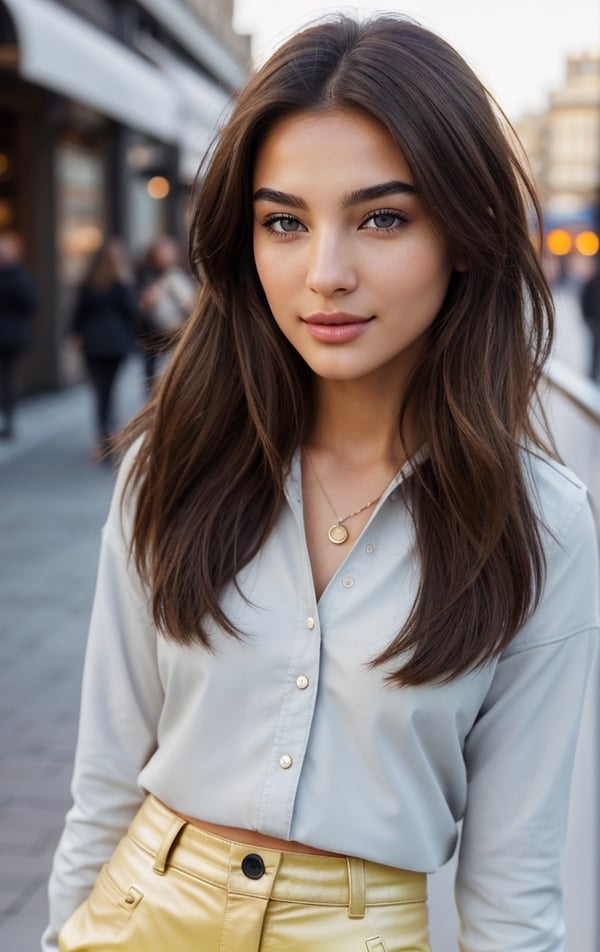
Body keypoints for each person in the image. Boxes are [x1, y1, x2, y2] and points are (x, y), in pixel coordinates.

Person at [44, 14, 599, 952]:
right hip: (139, 916)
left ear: (465, 234)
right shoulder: (172, 462)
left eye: (382, 217)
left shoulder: (540, 522)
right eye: (284, 223)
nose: (325, 273)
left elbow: (513, 887)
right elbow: (104, 777)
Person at [70, 237, 137, 462]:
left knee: (100, 392)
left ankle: (103, 440)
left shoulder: (88, 283)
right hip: (116, 344)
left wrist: (74, 335)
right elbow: (131, 312)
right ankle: (108, 439)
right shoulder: (122, 283)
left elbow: (78, 314)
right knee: (109, 391)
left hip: (93, 343)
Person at [135, 234, 196, 393]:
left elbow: (190, 301)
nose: (170, 255)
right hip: (152, 333)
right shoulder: (146, 272)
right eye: (165, 252)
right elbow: (140, 303)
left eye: (171, 251)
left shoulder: (177, 272)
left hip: (176, 331)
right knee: (153, 375)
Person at [0, 231, 36, 438]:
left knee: (8, 377)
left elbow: (30, 304)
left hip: (12, 336)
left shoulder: (20, 275)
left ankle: (9, 419)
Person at [579, 259, 600, 379]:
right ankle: (592, 378)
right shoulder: (592, 284)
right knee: (595, 354)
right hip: (596, 326)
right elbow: (584, 303)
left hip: (594, 324)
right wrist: (590, 323)